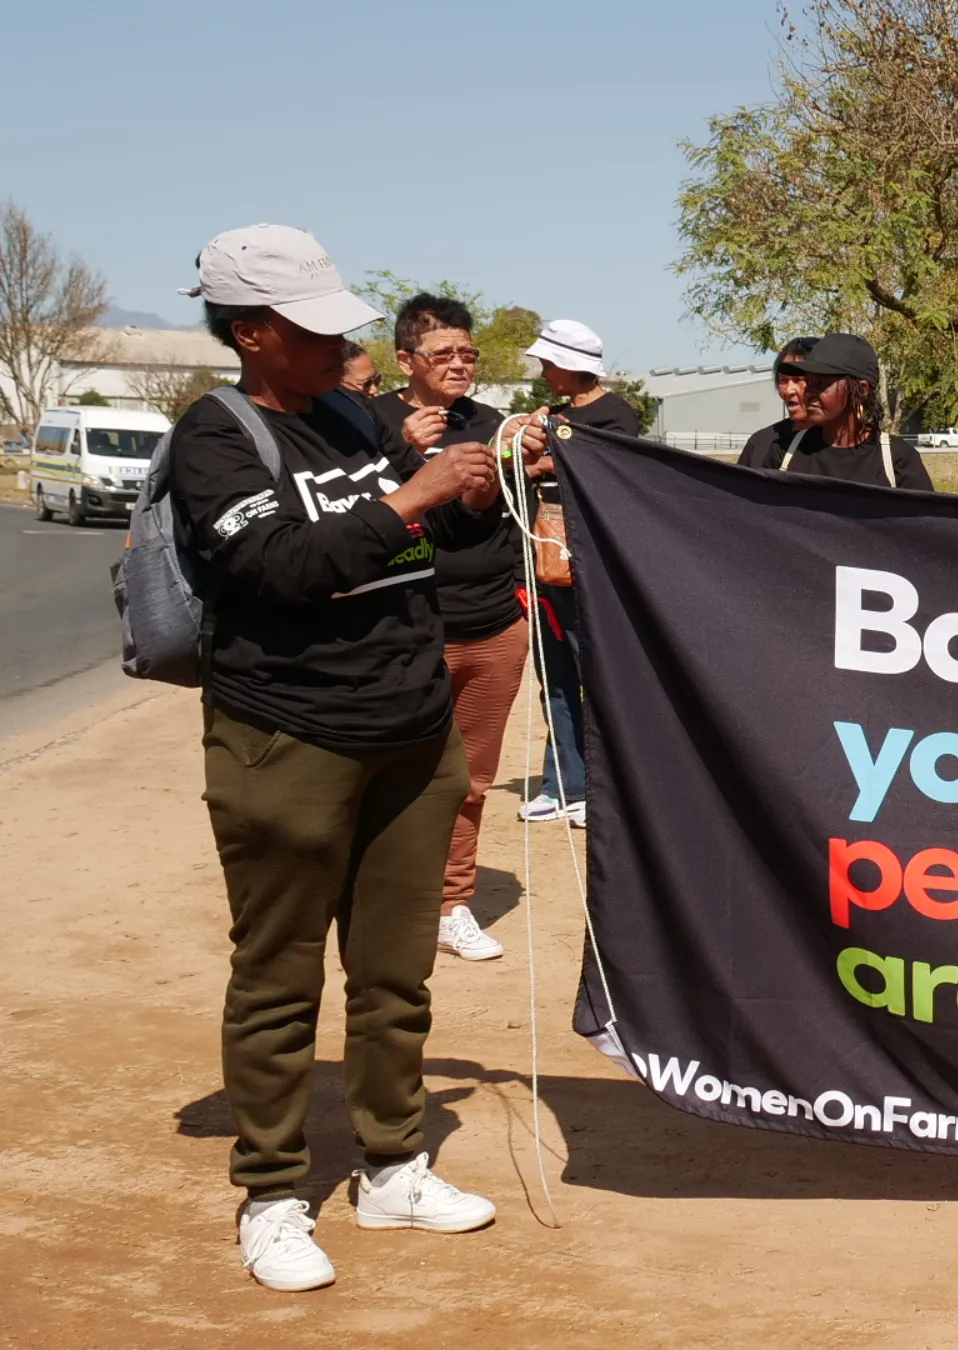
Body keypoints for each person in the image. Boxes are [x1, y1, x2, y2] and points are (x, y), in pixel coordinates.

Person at [171, 225, 502, 1292]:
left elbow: (437, 539)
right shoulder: (215, 437)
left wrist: (477, 484)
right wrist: (409, 495)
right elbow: (280, 565)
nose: (341, 345)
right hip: (289, 740)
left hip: (411, 739)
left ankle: (392, 1164)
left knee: (396, 975)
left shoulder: (354, 414)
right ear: (253, 331)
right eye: (315, 328)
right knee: (277, 978)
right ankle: (272, 1192)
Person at [370, 293, 536, 963]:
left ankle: (452, 904)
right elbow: (353, 514)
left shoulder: (493, 423)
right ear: (407, 359)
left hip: (495, 624)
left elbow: (480, 519)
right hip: (407, 625)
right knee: (389, 770)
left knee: (470, 780)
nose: (460, 364)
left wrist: (510, 464)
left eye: (470, 354)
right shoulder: (369, 423)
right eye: (445, 354)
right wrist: (399, 454)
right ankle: (381, 899)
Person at [517, 318, 640, 827]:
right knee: (557, 678)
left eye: (549, 363)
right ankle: (560, 782)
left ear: (571, 366)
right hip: (546, 561)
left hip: (593, 567)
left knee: (598, 676)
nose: (544, 371)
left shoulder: (618, 417)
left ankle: (602, 786)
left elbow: (607, 475)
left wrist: (547, 458)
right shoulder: (553, 415)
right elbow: (522, 465)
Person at [762, 333, 933, 488]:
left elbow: (925, 522)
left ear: (861, 390)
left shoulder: (897, 461)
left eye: (821, 383)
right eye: (809, 381)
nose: (809, 392)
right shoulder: (784, 452)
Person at [736, 336, 819, 471]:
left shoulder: (840, 447)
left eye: (798, 380)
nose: (788, 390)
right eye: (783, 381)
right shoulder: (760, 444)